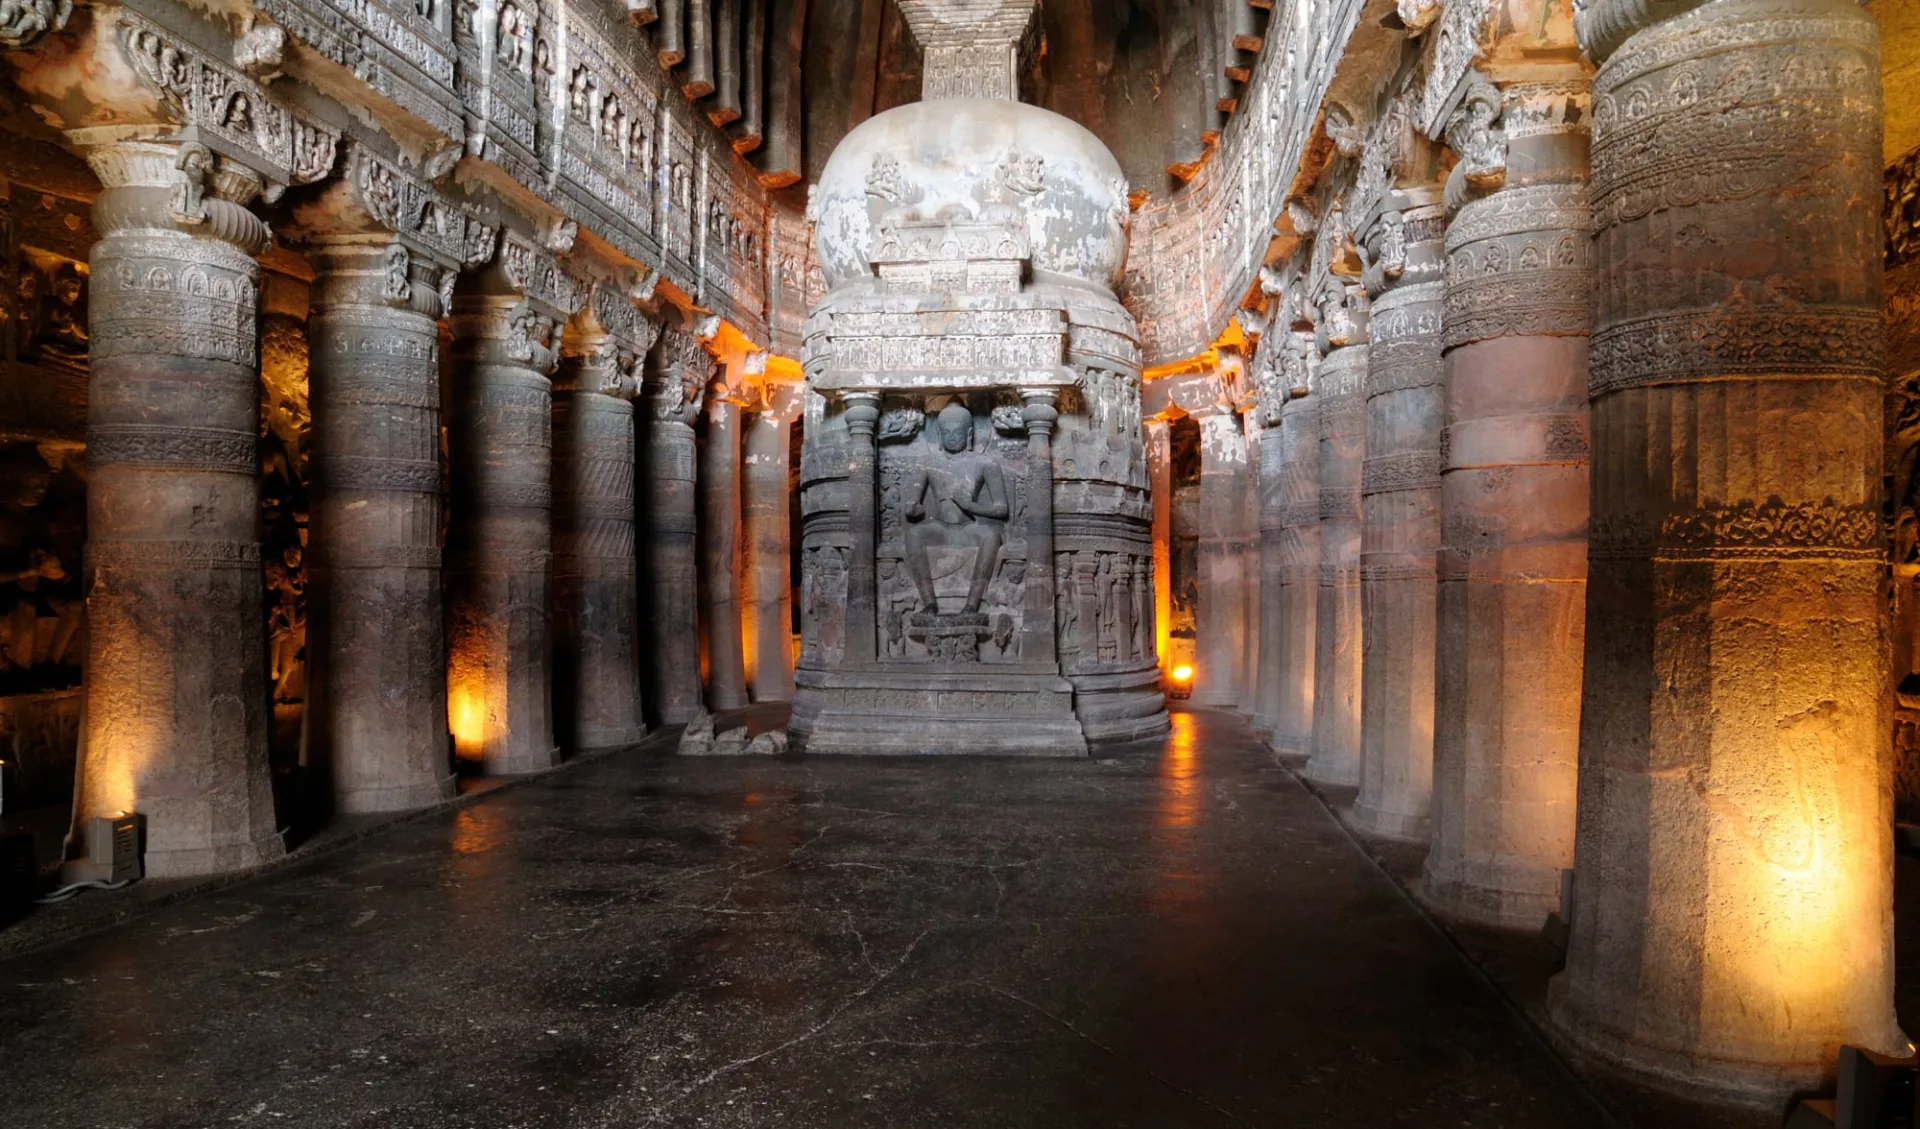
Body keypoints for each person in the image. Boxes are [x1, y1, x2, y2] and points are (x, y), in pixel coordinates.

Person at [901, 403, 1008, 616]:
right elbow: (912, 505)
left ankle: (972, 605)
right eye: (947, 432)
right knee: (913, 534)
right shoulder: (928, 462)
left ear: (968, 434)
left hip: (969, 528)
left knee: (991, 535)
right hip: (940, 528)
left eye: (957, 433)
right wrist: (913, 509)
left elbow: (1002, 509)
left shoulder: (985, 463)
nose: (951, 437)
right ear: (939, 434)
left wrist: (971, 506)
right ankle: (929, 603)